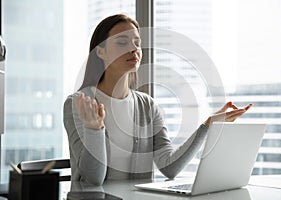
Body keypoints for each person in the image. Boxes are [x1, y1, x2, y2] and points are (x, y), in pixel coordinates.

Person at [63, 14, 252, 186]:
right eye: (122, 42)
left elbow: (169, 167)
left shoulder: (148, 106)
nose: (133, 49)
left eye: (137, 43)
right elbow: (93, 178)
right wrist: (94, 129)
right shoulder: (78, 103)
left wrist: (208, 125)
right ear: (100, 52)